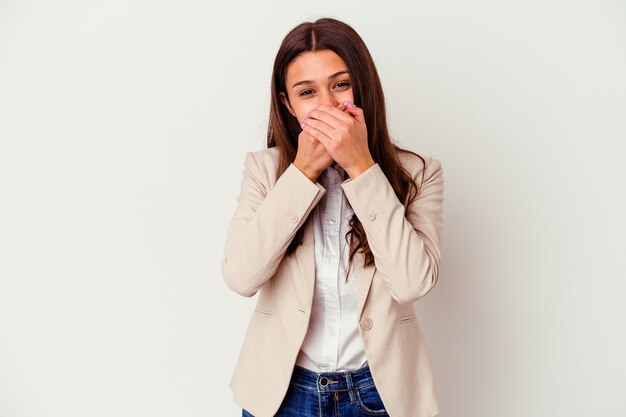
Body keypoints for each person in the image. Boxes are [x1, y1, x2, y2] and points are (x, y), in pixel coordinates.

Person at [221, 17, 444, 417]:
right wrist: (302, 174)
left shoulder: (419, 171)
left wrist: (362, 169)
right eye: (307, 92)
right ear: (288, 104)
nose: (326, 104)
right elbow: (240, 276)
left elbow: (412, 282)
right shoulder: (264, 169)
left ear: (363, 87)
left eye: (340, 84)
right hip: (282, 393)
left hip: (379, 394)